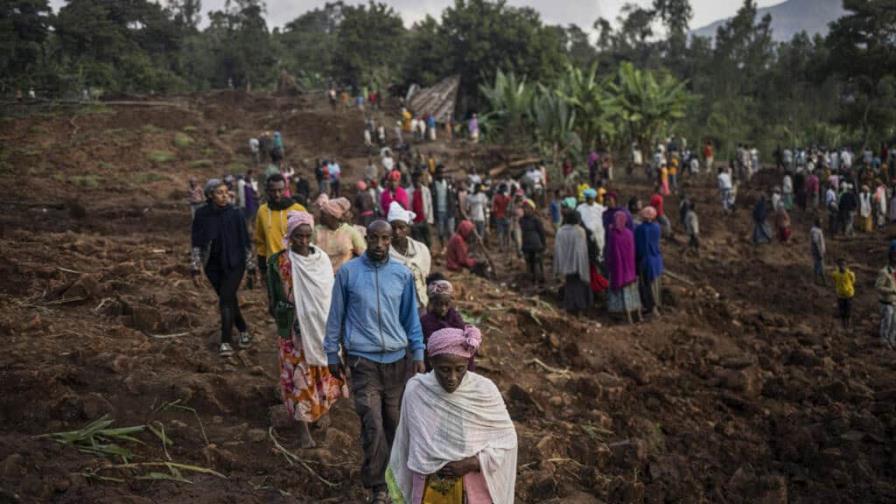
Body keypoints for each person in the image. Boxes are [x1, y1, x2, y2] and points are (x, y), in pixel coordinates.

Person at [325, 220, 426, 503]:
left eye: (386, 239)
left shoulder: (402, 274)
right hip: (363, 362)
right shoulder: (348, 273)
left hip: (397, 363)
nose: (380, 245)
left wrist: (418, 353)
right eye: (374, 238)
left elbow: (410, 319)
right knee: (373, 423)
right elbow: (336, 316)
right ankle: (378, 486)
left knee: (395, 423)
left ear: (391, 240)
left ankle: (399, 480)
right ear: (365, 238)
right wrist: (332, 353)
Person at [386, 325, 517, 504]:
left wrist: (471, 463)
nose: (453, 377)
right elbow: (411, 443)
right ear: (432, 362)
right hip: (429, 484)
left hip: (472, 485)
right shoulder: (417, 391)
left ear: (467, 364)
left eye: (460, 369)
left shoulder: (483, 391)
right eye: (445, 370)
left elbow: (506, 441)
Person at [267, 211, 348, 447]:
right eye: (298, 236)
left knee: (323, 371)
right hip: (294, 333)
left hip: (322, 329)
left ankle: (322, 411)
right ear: (290, 236)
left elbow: (329, 294)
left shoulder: (321, 259)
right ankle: (303, 431)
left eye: (306, 236)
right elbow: (273, 300)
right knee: (297, 377)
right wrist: (292, 317)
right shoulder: (279, 262)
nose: (303, 241)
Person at [191, 179, 254, 356]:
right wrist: (196, 269)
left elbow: (246, 242)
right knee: (229, 300)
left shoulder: (236, 213)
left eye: (226, 192)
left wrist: (250, 268)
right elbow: (196, 243)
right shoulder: (202, 215)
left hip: (235, 263)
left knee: (225, 299)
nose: (224, 196)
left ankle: (225, 341)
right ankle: (243, 330)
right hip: (213, 265)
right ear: (210, 195)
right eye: (219, 192)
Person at [255, 174, 306, 291]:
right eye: (273, 191)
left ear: (286, 189)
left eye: (280, 190)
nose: (277, 194)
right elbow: (260, 241)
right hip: (273, 266)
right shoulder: (262, 211)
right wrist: (262, 268)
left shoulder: (298, 209)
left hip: (297, 265)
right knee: (276, 303)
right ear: (267, 191)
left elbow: (309, 238)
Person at [388, 202, 432, 310]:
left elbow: (425, 276)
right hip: (396, 307)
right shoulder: (385, 253)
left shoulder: (421, 249)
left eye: (401, 227)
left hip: (420, 305)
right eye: (393, 228)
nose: (397, 232)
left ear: (407, 228)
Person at [419, 279, 466, 371]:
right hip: (432, 364)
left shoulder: (455, 318)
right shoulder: (425, 321)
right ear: (432, 303)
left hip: (455, 363)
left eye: (446, 304)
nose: (443, 308)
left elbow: (463, 339)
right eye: (439, 304)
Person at [553, 207, 592, 315]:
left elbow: (558, 249)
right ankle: (579, 308)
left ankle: (570, 306)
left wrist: (560, 265)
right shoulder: (580, 231)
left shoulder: (561, 231)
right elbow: (582, 251)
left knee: (570, 285)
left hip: (566, 265)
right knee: (579, 287)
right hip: (579, 265)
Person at [606, 211, 642, 324]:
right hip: (630, 269)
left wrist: (608, 264)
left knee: (622, 294)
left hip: (618, 269)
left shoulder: (614, 235)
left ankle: (625, 316)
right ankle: (637, 315)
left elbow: (611, 253)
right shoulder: (630, 233)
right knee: (633, 293)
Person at [314, 195, 366, 272]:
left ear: (333, 216)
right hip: (321, 276)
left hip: (345, 277)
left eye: (324, 214)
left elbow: (364, 255)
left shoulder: (350, 232)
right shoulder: (316, 231)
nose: (321, 217)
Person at [635, 207, 664, 317]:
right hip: (657, 259)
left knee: (647, 286)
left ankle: (651, 309)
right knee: (656, 284)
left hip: (646, 260)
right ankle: (656, 306)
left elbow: (639, 247)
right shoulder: (657, 227)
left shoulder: (640, 229)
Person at [519, 199, 546, 285]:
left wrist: (543, 245)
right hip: (526, 245)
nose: (525, 210)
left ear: (532, 209)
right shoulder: (521, 220)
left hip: (536, 245)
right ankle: (532, 281)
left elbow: (542, 233)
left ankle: (540, 279)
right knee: (529, 264)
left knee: (537, 263)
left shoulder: (536, 220)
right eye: (524, 208)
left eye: (527, 208)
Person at [876, 241, 896, 349]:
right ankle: (884, 340)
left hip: (894, 301)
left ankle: (892, 340)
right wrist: (891, 291)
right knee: (887, 322)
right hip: (886, 302)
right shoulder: (884, 272)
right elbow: (878, 287)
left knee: (894, 323)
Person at [577, 188, 606, 260]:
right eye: (588, 198)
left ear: (594, 198)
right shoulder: (580, 208)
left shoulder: (600, 208)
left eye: (591, 198)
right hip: (585, 234)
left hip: (598, 233)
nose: (589, 200)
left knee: (599, 251)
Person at [408, 173, 434, 248]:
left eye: (418, 179)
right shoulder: (408, 191)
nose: (417, 181)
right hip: (415, 221)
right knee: (418, 241)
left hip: (424, 219)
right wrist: (410, 221)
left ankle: (429, 253)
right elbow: (407, 208)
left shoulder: (426, 190)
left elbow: (429, 205)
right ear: (412, 180)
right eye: (415, 180)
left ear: (421, 179)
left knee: (428, 239)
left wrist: (430, 219)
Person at [830, 258, 855, 332]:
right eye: (840, 265)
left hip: (849, 295)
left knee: (848, 311)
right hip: (840, 295)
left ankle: (848, 326)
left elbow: (853, 281)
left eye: (843, 265)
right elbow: (834, 279)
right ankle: (843, 326)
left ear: (846, 265)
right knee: (842, 311)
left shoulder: (850, 274)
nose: (842, 266)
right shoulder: (835, 274)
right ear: (838, 266)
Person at [492, 185, 512, 251]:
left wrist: (495, 215)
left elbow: (494, 209)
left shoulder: (496, 197)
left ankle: (501, 247)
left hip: (498, 216)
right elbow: (510, 206)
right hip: (506, 216)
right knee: (506, 233)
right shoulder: (508, 197)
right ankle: (506, 246)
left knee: (500, 232)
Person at [811, 217, 826, 285]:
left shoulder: (816, 229)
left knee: (817, 265)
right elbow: (816, 242)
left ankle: (817, 280)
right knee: (820, 266)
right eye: (820, 223)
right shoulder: (815, 231)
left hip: (817, 251)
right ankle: (823, 281)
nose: (821, 224)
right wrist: (820, 252)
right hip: (817, 251)